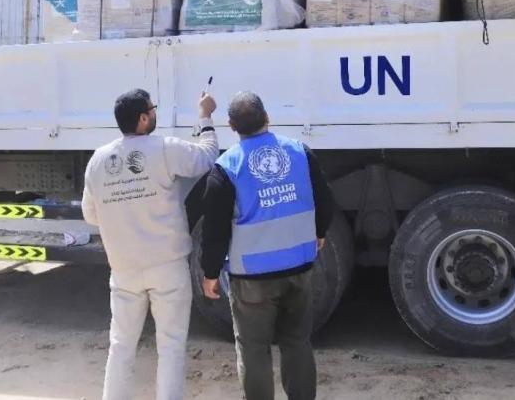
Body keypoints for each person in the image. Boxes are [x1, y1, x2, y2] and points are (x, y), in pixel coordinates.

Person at [197, 91, 336, 400]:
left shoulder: (226, 167)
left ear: (232, 127)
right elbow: (325, 200)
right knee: (297, 342)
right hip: (299, 268)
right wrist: (319, 232)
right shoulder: (300, 152)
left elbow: (215, 229)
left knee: (254, 348)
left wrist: (210, 273)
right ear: (267, 117)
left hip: (252, 279)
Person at [81, 88, 219, 400]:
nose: (155, 113)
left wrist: (123, 215)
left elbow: (90, 215)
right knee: (170, 346)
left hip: (124, 270)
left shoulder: (98, 160)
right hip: (167, 267)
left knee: (121, 346)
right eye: (153, 109)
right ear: (143, 119)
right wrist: (205, 117)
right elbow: (207, 157)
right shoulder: (165, 148)